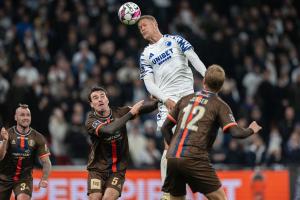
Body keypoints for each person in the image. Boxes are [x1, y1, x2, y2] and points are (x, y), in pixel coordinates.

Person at [161, 65, 262, 200]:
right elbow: (236, 133)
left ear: (204, 81)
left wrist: (173, 146)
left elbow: (165, 128)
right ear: (220, 87)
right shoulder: (219, 105)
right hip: (195, 158)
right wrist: (251, 130)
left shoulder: (185, 99)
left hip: (173, 158)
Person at [138, 15, 207, 182]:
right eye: (139, 28)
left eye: (144, 25)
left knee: (188, 144)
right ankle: (168, 189)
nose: (142, 29)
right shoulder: (145, 55)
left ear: (155, 23)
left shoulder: (176, 40)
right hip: (166, 103)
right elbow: (149, 84)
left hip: (187, 98)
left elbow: (194, 58)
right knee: (168, 144)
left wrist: (207, 76)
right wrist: (164, 98)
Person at [85, 86, 157, 200]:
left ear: (107, 100)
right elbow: (108, 130)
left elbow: (145, 108)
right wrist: (130, 114)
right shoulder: (91, 121)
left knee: (108, 198)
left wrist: (159, 100)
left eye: (102, 96)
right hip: (97, 169)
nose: (100, 99)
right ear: (91, 104)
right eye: (95, 98)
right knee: (95, 197)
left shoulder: (119, 112)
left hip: (117, 169)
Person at [0, 104, 51, 200]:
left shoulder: (38, 137)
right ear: (16, 117)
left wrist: (44, 178)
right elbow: (0, 157)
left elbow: (46, 162)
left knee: (23, 198)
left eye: (28, 115)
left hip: (24, 179)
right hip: (3, 178)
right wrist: (5, 141)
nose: (26, 117)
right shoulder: (7, 134)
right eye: (22, 115)